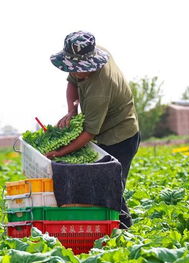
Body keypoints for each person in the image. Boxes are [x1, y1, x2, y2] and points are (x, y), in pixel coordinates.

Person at [47, 31, 140, 229]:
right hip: (102, 132)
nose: (77, 72)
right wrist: (72, 111)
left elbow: (89, 132)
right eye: (74, 67)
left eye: (81, 68)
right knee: (98, 184)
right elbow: (72, 83)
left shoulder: (100, 88)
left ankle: (125, 231)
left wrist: (59, 153)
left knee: (111, 186)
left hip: (120, 136)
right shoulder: (89, 57)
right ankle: (103, 229)